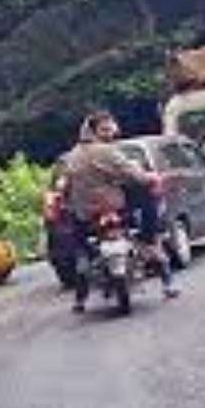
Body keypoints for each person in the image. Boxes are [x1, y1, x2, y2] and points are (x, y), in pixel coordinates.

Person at [62, 111, 179, 312]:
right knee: (148, 195)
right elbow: (134, 175)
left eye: (110, 128)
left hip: (85, 214)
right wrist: (152, 178)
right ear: (94, 131)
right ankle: (148, 240)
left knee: (79, 243)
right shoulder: (106, 152)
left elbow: (65, 188)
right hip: (113, 206)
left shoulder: (71, 156)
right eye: (105, 129)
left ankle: (80, 298)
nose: (110, 133)